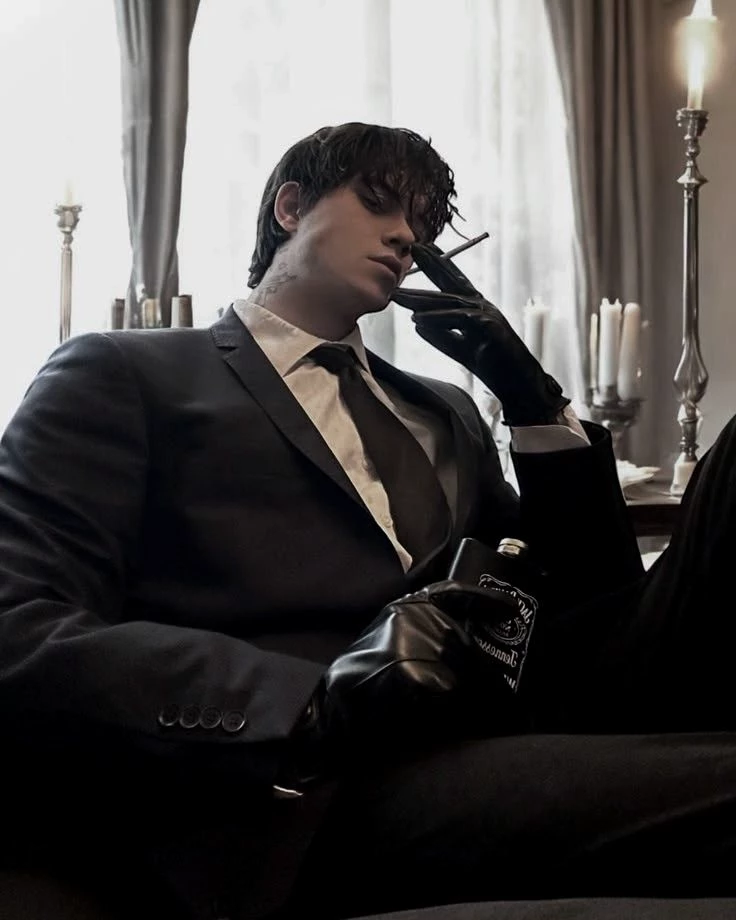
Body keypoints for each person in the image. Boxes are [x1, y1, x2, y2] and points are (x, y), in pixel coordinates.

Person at [1, 121, 736, 920]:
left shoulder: (443, 408)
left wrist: (532, 399)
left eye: (420, 223)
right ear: (290, 207)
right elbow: (20, 626)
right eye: (380, 204)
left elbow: (594, 600)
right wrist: (312, 704)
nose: (405, 237)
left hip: (507, 723)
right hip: (320, 787)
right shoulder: (126, 373)